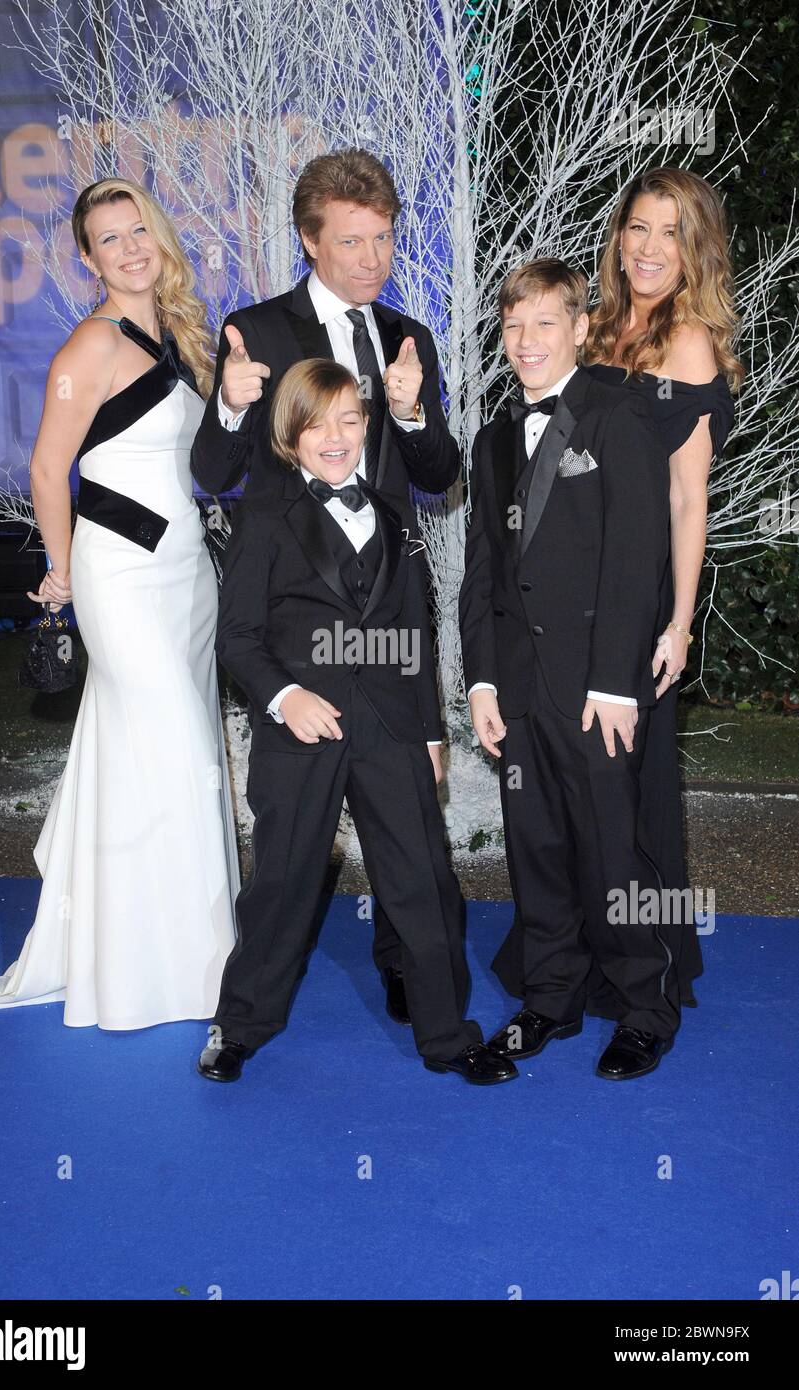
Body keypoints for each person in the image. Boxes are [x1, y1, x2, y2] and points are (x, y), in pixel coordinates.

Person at [191, 148, 460, 1027]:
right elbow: (210, 470)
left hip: (388, 612)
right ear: (310, 241)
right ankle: (247, 1016)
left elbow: (439, 473)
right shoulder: (256, 332)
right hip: (294, 626)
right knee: (291, 852)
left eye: (382, 239)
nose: (371, 260)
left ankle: (409, 977)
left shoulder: (406, 333)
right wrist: (230, 405)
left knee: (409, 838)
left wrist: (414, 414)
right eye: (351, 241)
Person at [197, 358, 514, 1085]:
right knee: (280, 884)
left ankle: (448, 1037)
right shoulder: (264, 518)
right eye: (316, 425)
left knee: (423, 885)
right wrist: (285, 698)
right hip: (300, 731)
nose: (333, 438)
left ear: (366, 426)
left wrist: (432, 732)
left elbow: (415, 634)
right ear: (290, 436)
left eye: (348, 420)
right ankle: (238, 1026)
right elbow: (236, 637)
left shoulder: (395, 517)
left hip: (392, 731)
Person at [0, 178, 239, 1029]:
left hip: (187, 576)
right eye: (108, 239)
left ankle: (179, 954)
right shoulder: (88, 347)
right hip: (119, 576)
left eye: (139, 231)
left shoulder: (179, 330)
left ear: (157, 237)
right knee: (175, 743)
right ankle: (164, 972)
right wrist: (59, 570)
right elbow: (51, 469)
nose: (129, 248)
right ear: (87, 259)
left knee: (157, 754)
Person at [459, 258, 677, 1080]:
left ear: (581, 329)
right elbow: (481, 569)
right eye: (513, 326)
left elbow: (635, 561)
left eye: (544, 323)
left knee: (614, 851)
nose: (525, 342)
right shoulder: (489, 441)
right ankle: (548, 997)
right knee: (537, 850)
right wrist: (481, 680)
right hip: (517, 690)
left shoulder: (620, 422)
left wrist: (616, 682)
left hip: (597, 688)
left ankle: (643, 1009)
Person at [583, 166, 741, 1016]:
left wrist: (677, 623)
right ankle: (580, 950)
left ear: (694, 249)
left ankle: (646, 968)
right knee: (584, 781)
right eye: (636, 228)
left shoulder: (687, 343)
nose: (648, 248)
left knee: (634, 787)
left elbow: (688, 496)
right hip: (571, 591)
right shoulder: (596, 325)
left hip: (636, 595)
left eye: (668, 233)